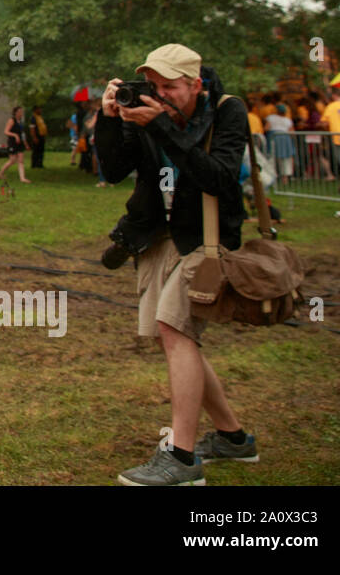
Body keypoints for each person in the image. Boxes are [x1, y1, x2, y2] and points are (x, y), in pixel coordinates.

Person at [96, 44, 253, 486]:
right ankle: (233, 438)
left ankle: (182, 460)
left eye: (170, 87)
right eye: (154, 85)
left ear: (195, 85)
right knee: (176, 334)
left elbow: (219, 179)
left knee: (175, 328)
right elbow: (111, 170)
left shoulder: (227, 111)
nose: (160, 94)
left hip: (207, 236)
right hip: (158, 235)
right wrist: (108, 121)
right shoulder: (142, 110)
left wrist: (161, 126)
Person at [0, 106, 32, 183]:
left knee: (21, 161)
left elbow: (22, 134)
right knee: (12, 160)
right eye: (19, 112)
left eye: (22, 112)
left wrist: (26, 144)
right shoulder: (12, 120)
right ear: (15, 113)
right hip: (12, 143)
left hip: (20, 143)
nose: (21, 113)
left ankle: (22, 178)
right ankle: (0, 173)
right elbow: (6, 131)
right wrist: (15, 135)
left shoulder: (21, 122)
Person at [264, 102, 295, 186]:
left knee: (272, 157)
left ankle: (272, 178)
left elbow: (266, 128)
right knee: (285, 158)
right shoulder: (288, 120)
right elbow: (292, 132)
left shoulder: (271, 118)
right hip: (285, 138)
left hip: (274, 138)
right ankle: (285, 178)